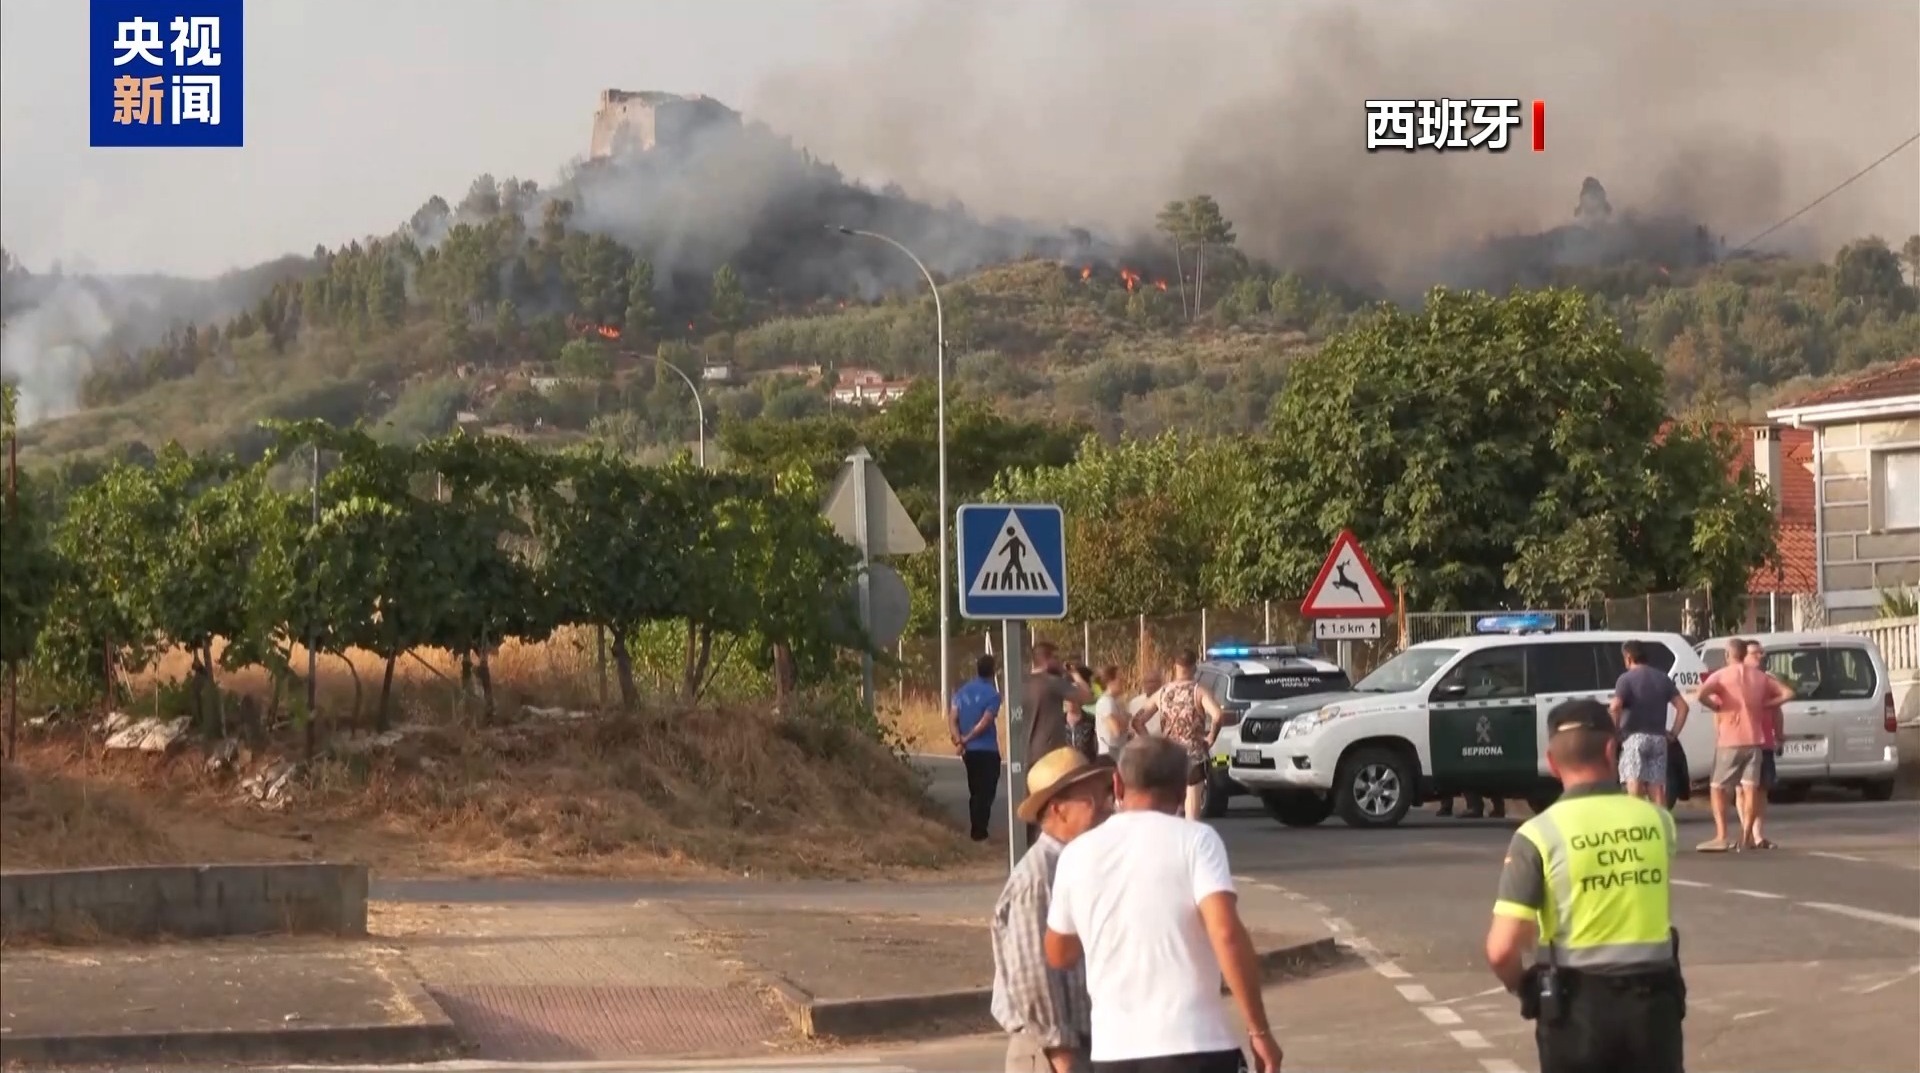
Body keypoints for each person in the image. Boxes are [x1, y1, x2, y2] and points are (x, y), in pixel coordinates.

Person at [1044, 736, 1283, 1073]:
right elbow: (1225, 933)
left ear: (1117, 784)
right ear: (1183, 790)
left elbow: (1059, 953)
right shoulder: (1197, 841)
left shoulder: (1076, 854)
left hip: (1115, 1051)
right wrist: (1259, 1030)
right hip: (1196, 1044)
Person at [1485, 698, 1685, 1073]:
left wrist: (1524, 988)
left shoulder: (1537, 835)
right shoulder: (1659, 823)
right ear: (1611, 750)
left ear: (1552, 762)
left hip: (1575, 1012)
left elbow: (1501, 950)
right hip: (1653, 1008)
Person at [992, 747, 1116, 1073]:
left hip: (1083, 1045)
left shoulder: (1079, 864)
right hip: (1051, 1052)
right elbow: (1032, 974)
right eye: (1091, 800)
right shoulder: (1039, 876)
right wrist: (1063, 1058)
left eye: (1105, 796)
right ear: (1058, 810)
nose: (1106, 808)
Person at [1695, 638, 1790, 852]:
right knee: (1751, 788)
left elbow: (1701, 694)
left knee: (1717, 787)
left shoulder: (1721, 675)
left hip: (1730, 740)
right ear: (1744, 654)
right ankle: (1747, 835)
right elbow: (1788, 693)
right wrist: (1766, 704)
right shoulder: (1761, 677)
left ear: (1727, 655)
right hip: (1755, 740)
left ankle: (1721, 835)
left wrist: (1715, 707)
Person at [1129, 651, 1228, 821]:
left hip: (1169, 756)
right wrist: (1211, 736)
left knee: (1169, 806)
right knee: (1192, 808)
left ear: (1175, 667)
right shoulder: (1198, 691)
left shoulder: (1162, 692)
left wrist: (1153, 742)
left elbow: (1137, 721)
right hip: (1193, 755)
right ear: (1194, 667)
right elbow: (1218, 715)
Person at [1609, 640, 1691, 808]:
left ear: (1629, 657)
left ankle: (1638, 820)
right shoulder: (1662, 678)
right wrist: (1673, 734)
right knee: (1657, 788)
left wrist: (1615, 732)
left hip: (1634, 739)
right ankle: (1660, 820)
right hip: (1658, 739)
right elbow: (1683, 707)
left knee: (1634, 784)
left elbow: (1616, 707)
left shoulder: (1625, 679)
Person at [1740, 641, 1794, 850]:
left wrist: (1778, 733)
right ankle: (1746, 832)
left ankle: (1757, 834)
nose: (1760, 656)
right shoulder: (1737, 679)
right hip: (1741, 741)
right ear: (1743, 656)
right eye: (1755, 653)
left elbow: (1779, 707)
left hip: (1764, 742)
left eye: (1761, 653)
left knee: (1762, 789)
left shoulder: (1767, 680)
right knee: (1742, 790)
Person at [952, 654, 1005, 842]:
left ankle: (977, 829)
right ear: (993, 671)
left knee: (975, 790)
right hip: (987, 749)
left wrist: (959, 741)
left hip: (969, 752)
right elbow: (985, 721)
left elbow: (952, 718)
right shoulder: (993, 695)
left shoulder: (961, 692)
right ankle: (979, 831)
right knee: (987, 791)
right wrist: (967, 738)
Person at [1094, 666, 1131, 757]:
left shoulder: (1116, 702)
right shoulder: (1106, 702)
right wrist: (1126, 721)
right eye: (1120, 678)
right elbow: (1116, 731)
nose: (1123, 681)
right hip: (1110, 754)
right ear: (1110, 681)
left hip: (1117, 752)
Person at [1129, 671, 1164, 737]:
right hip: (1141, 741)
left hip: (1161, 741)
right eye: (1147, 682)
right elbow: (1131, 726)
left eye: (1153, 682)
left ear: (1160, 683)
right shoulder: (1134, 702)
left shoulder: (1165, 702)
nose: (1150, 685)